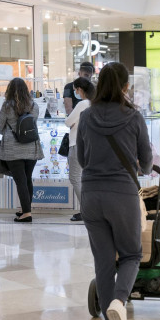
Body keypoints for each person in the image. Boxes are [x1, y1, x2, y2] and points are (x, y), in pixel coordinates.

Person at [76, 62, 153, 320]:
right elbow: (146, 162)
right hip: (122, 194)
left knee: (104, 260)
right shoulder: (133, 117)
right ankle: (119, 303)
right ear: (125, 86)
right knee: (131, 254)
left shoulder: (86, 116)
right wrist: (139, 166)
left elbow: (82, 159)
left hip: (91, 195)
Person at [0, 78, 44, 223]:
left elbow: (0, 128)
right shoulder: (34, 105)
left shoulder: (6, 106)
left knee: (20, 181)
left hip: (13, 148)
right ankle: (26, 209)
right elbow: (33, 124)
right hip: (31, 146)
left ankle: (26, 213)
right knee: (27, 179)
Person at [64, 61, 94, 222]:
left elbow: (68, 122)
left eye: (76, 89)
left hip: (77, 144)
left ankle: (85, 210)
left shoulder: (82, 104)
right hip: (90, 144)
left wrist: (73, 121)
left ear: (80, 90)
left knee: (75, 177)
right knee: (84, 178)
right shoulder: (94, 103)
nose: (75, 92)